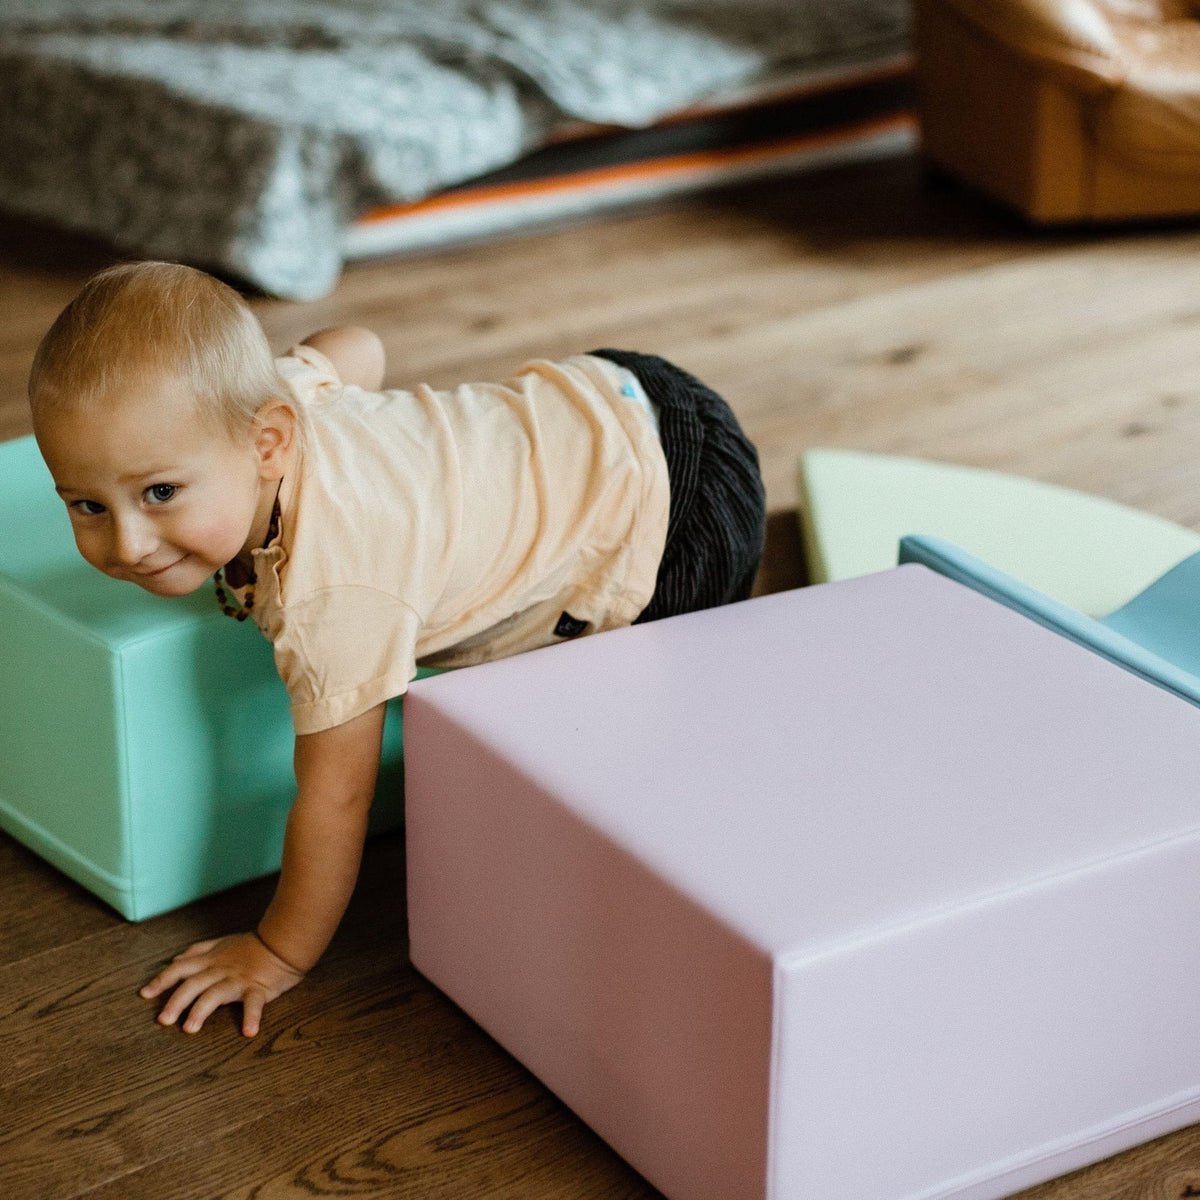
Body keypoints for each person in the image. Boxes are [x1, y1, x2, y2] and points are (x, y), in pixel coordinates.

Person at [27, 261, 766, 1037]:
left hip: (672, 508)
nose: (129, 544)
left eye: (160, 493)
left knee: (641, 767)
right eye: (86, 504)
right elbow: (356, 346)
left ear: (268, 442)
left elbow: (337, 799)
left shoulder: (335, 591)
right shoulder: (274, 394)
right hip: (611, 393)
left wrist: (277, 953)